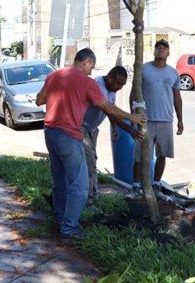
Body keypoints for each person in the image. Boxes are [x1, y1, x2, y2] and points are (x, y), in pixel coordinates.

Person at [36, 48, 145, 240]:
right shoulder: (87, 82)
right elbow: (106, 107)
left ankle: (61, 220)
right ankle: (69, 229)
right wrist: (131, 116)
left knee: (60, 180)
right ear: (86, 62)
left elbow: (39, 100)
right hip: (69, 135)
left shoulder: (54, 75)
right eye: (91, 67)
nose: (91, 72)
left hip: (50, 132)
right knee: (80, 185)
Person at [81, 66, 142, 203]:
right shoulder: (98, 85)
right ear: (110, 77)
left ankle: (93, 194)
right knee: (89, 161)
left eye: (123, 85)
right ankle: (88, 200)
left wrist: (115, 126)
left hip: (92, 129)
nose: (120, 87)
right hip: (81, 127)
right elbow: (108, 107)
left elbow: (110, 113)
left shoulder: (111, 89)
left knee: (92, 162)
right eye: (118, 83)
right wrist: (131, 118)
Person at [134, 39, 182, 186]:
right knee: (140, 156)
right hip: (145, 120)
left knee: (162, 154)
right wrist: (133, 114)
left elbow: (177, 97)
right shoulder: (143, 69)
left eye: (164, 48)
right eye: (158, 47)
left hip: (166, 120)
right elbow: (134, 92)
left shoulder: (173, 73)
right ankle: (136, 185)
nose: (161, 49)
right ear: (153, 51)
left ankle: (156, 184)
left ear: (168, 53)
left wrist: (180, 120)